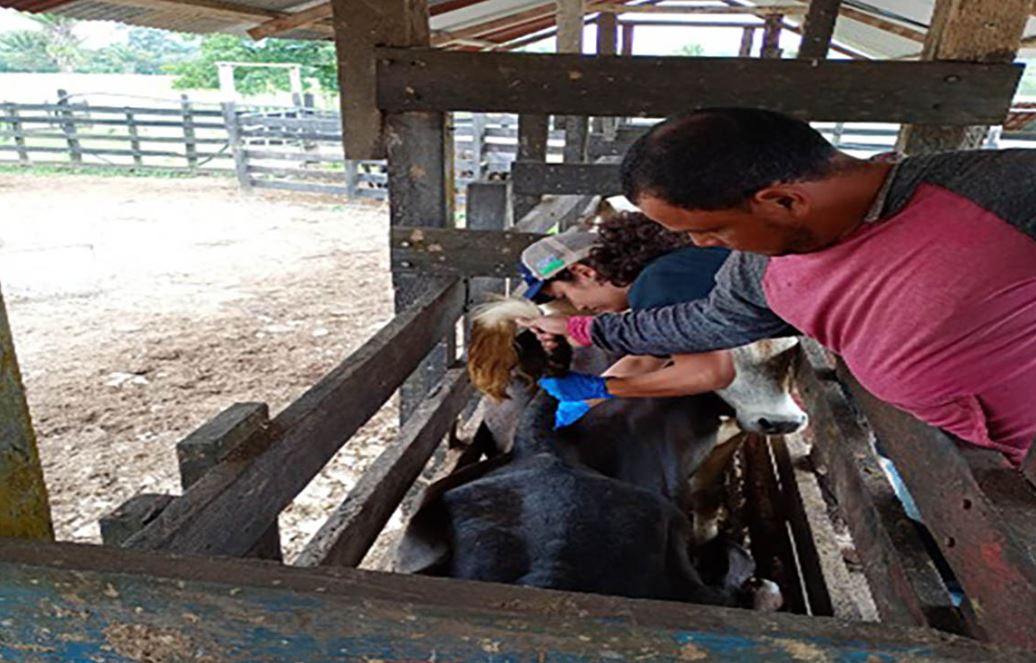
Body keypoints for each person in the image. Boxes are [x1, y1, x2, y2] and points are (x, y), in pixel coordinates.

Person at [519, 107, 1036, 465]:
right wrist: (585, 329)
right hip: (963, 457)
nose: (701, 245)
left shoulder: (1000, 191)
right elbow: (701, 324)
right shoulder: (758, 266)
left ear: (783, 201)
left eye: (710, 229)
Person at [518, 211, 730, 426]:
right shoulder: (675, 265)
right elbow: (646, 360)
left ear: (584, 272)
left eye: (564, 296)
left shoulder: (655, 286)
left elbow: (708, 373)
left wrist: (604, 388)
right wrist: (584, 400)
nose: (579, 307)